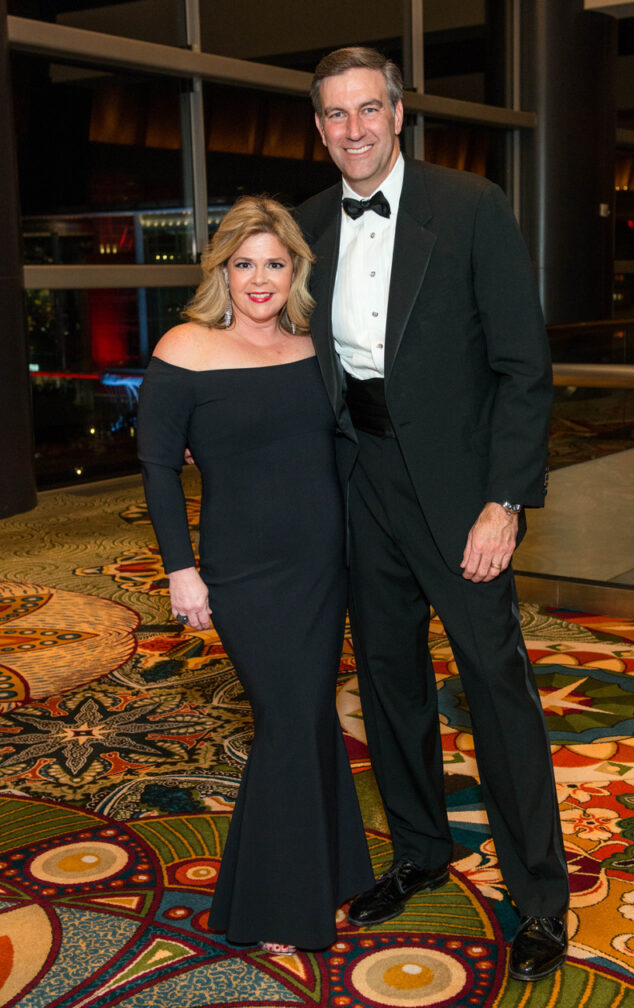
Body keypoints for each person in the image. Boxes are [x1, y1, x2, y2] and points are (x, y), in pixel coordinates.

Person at [295, 47, 570, 982]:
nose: (354, 129)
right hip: (356, 479)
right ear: (319, 126)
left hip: (458, 493)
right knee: (386, 679)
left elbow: (522, 369)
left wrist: (504, 501)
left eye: (368, 109)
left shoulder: (470, 206)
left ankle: (539, 898)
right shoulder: (304, 228)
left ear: (399, 113)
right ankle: (419, 849)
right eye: (336, 115)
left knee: (494, 688)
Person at [136, 195, 374, 953]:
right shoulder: (184, 347)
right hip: (241, 571)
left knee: (305, 719)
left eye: (275, 262)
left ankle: (325, 874)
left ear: (295, 269)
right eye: (245, 263)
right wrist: (181, 570)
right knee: (285, 721)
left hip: (321, 563)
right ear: (223, 270)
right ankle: (278, 905)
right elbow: (157, 470)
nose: (260, 278)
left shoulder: (313, 348)